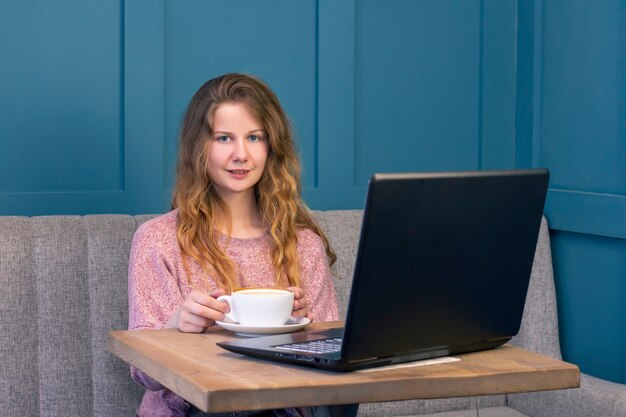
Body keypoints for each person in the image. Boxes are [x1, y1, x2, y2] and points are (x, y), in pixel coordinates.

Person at [128, 73, 356, 417]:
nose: (241, 154)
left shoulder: (303, 245)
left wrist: (304, 329)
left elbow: (333, 369)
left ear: (271, 146)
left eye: (254, 137)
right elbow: (144, 374)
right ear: (199, 147)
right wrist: (175, 326)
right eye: (224, 138)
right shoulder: (158, 239)